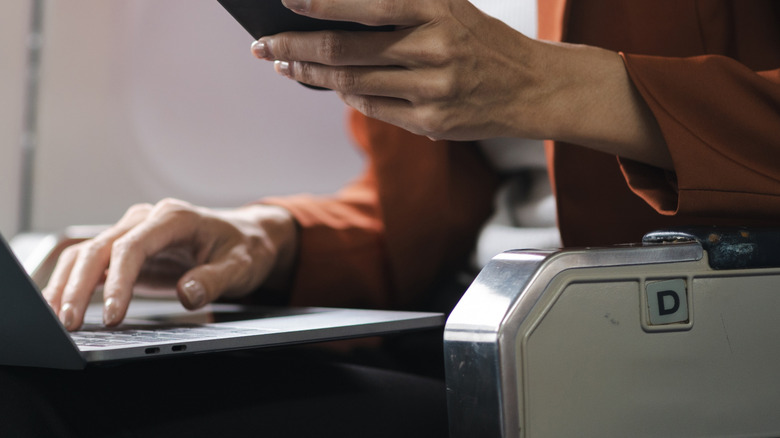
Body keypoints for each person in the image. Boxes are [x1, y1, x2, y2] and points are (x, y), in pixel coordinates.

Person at [14, 1, 779, 434]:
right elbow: (426, 213)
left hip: (657, 344)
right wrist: (268, 237)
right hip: (472, 319)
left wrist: (557, 85)